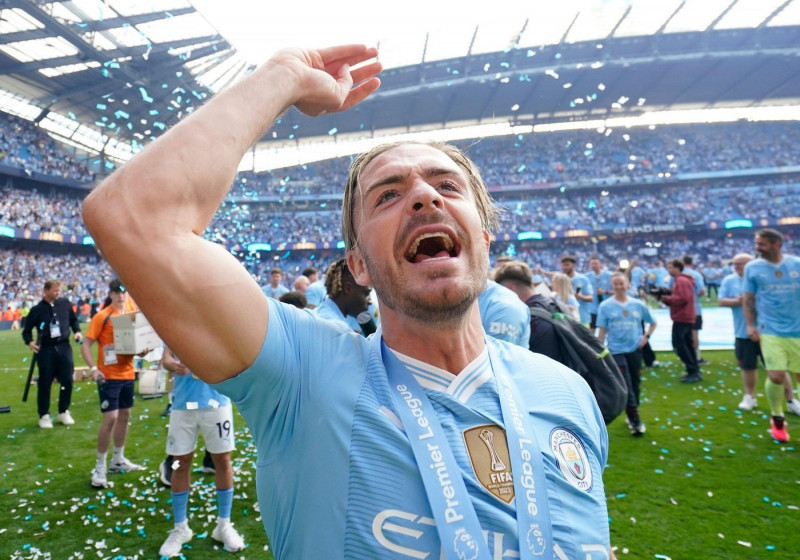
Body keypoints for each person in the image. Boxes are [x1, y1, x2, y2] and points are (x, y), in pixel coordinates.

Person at [83, 45, 612, 559]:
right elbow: (134, 218)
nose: (426, 197)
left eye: (448, 187)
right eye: (387, 194)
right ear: (358, 265)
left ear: (485, 238)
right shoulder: (303, 374)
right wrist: (282, 77)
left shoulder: (565, 392)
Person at [157, 347, 246, 557]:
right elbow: (166, 358)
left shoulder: (214, 322)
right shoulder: (175, 324)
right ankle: (181, 527)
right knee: (179, 462)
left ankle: (223, 525)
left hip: (216, 403)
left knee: (222, 461)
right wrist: (173, 365)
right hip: (183, 405)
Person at [80, 279, 145, 488]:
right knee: (110, 419)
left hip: (127, 373)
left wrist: (144, 349)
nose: (121, 296)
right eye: (117, 292)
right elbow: (86, 344)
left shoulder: (130, 314)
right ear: (111, 294)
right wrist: (93, 368)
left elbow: (135, 344)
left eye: (123, 292)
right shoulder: (102, 316)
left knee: (125, 416)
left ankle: (118, 459)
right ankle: (100, 466)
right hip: (109, 375)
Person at [743, 229, 800, 442]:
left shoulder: (796, 264)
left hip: (798, 329)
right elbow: (748, 299)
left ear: (776, 244)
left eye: (762, 244)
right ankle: (777, 418)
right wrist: (750, 325)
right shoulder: (753, 268)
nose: (757, 248)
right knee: (776, 375)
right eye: (757, 243)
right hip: (771, 329)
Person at [596, 273, 657, 436]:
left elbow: (653, 322)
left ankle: (632, 410)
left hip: (634, 350)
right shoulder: (605, 306)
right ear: (611, 286)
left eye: (621, 283)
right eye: (615, 284)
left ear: (627, 284)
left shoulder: (638, 304)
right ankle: (635, 421)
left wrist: (646, 337)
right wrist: (598, 350)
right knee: (627, 385)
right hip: (616, 351)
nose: (618, 287)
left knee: (636, 383)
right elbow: (602, 330)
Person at [21, 279, 83, 428]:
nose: (58, 293)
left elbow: (74, 321)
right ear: (46, 290)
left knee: (67, 379)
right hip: (46, 349)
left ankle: (63, 411)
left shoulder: (65, 304)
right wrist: (30, 342)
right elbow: (26, 331)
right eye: (55, 290)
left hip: (64, 346)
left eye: (59, 290)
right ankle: (44, 415)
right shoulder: (36, 310)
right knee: (45, 382)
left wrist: (77, 332)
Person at [658, 259, 702, 383]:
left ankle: (692, 369)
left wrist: (666, 299)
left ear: (678, 268)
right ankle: (693, 369)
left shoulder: (681, 280)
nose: (669, 270)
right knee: (687, 344)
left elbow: (682, 298)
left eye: (671, 267)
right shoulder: (683, 280)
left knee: (678, 344)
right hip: (686, 315)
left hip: (682, 316)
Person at [315, 258, 375, 334]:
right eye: (366, 294)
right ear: (348, 289)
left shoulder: (324, 313)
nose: (369, 302)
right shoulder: (336, 327)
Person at [682, 255, 708, 365]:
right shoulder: (696, 275)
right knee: (694, 333)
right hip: (694, 309)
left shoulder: (678, 275)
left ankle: (686, 356)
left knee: (682, 333)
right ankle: (696, 356)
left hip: (681, 309)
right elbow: (701, 291)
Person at [588, 255, 613, 333]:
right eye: (592, 264)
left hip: (607, 309)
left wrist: (605, 292)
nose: (594, 265)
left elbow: (618, 291)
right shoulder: (587, 277)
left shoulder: (609, 275)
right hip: (593, 309)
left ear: (600, 264)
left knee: (606, 330)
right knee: (591, 331)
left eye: (596, 263)